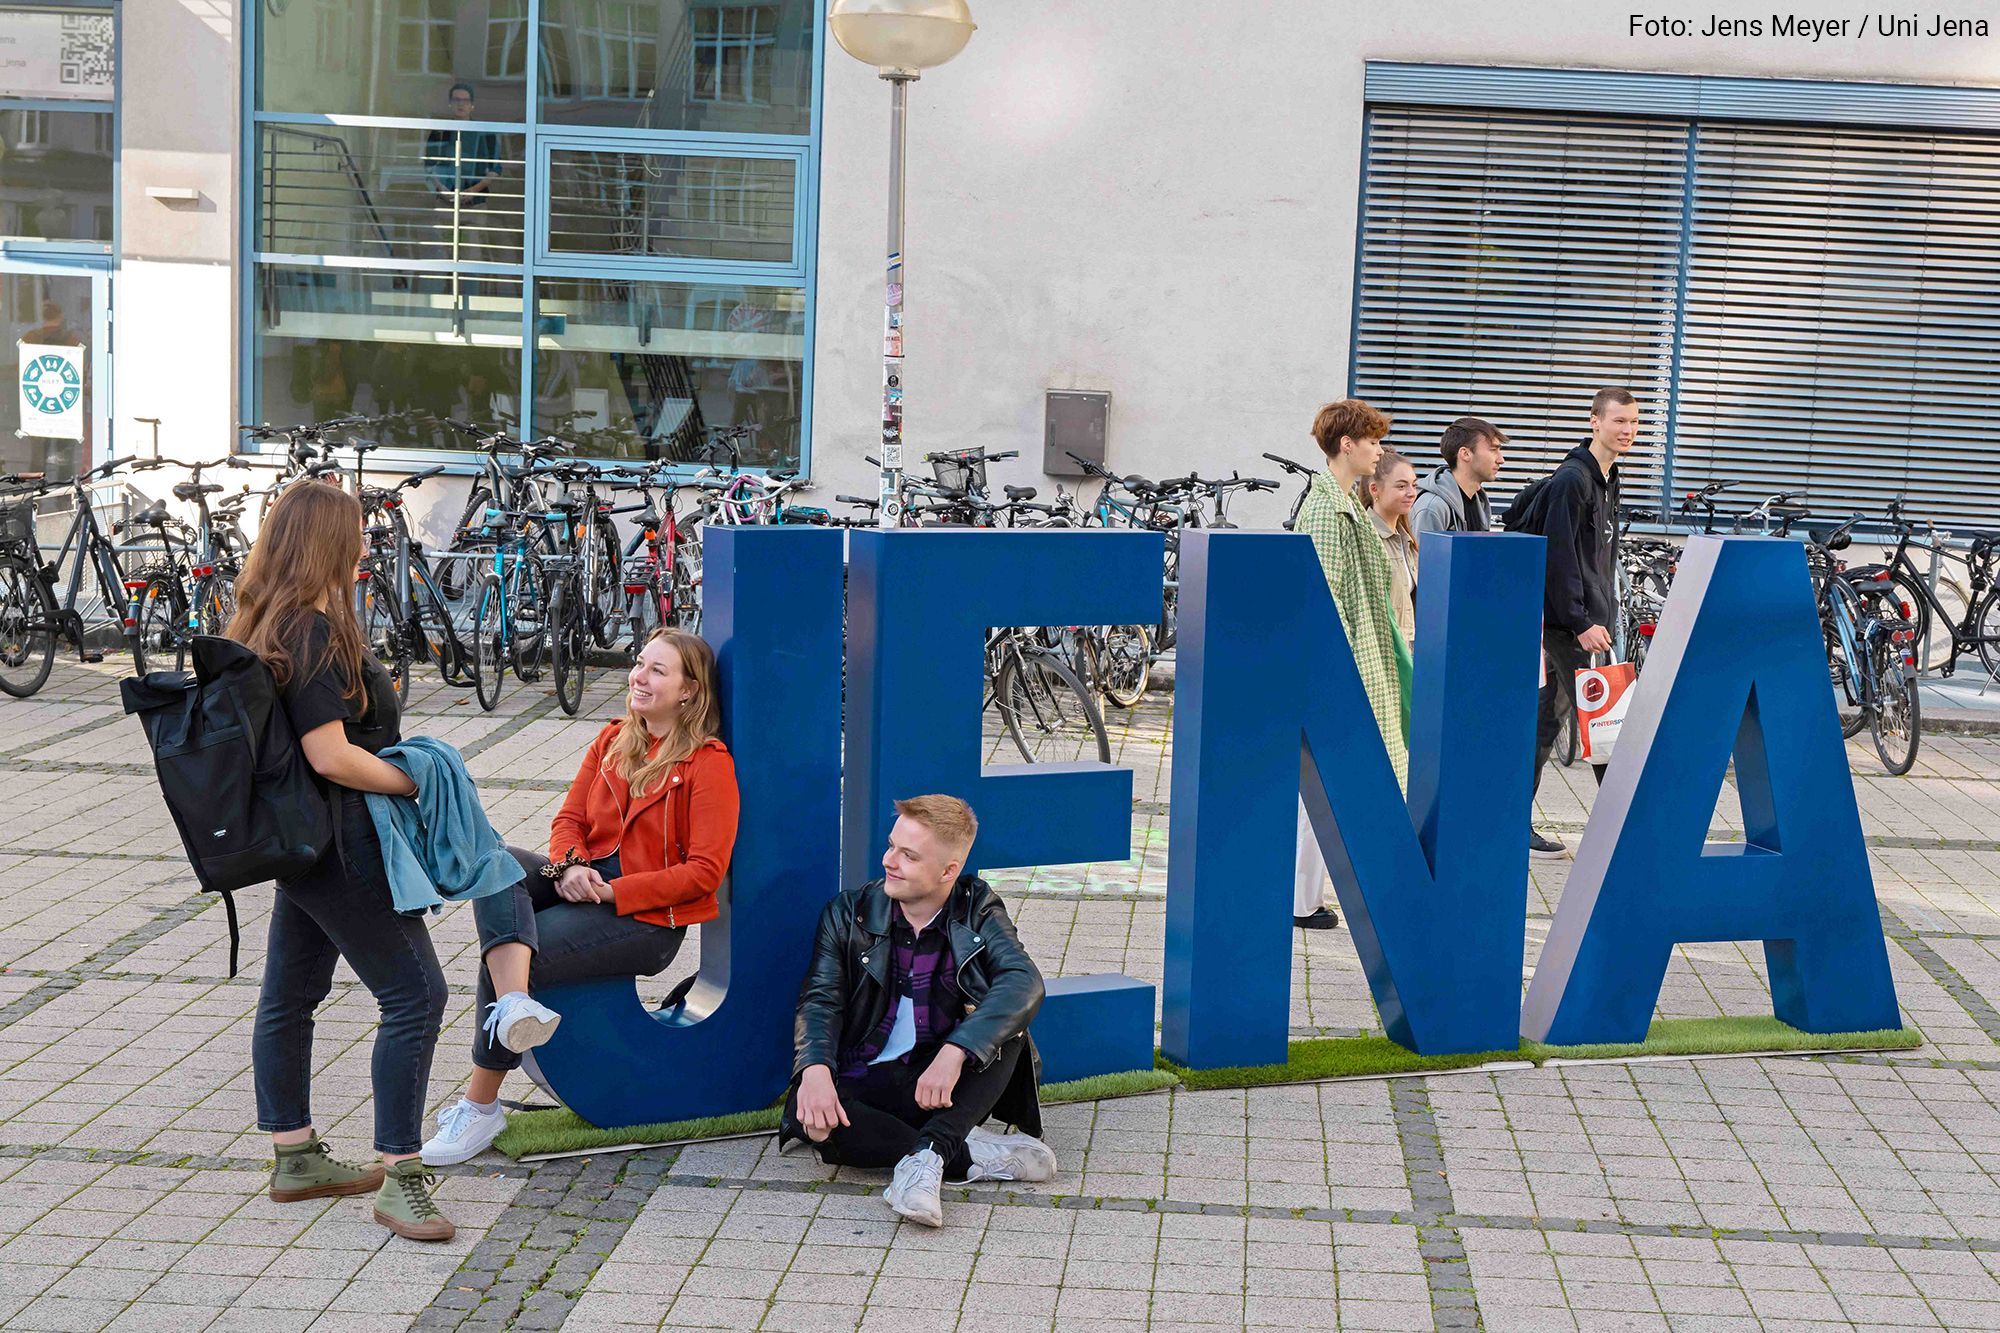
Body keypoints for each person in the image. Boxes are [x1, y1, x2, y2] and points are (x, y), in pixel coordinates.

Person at [229, 482, 456, 1242]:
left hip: (306, 846)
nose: (366, 545)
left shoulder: (277, 621)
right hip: (342, 843)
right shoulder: (312, 633)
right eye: (357, 534)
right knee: (417, 993)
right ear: (329, 542)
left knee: (291, 991)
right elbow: (331, 755)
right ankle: (402, 1174)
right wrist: (416, 777)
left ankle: (294, 1155)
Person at [421, 628, 739, 1166]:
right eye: (640, 663)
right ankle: (516, 1006)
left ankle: (481, 1107)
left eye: (658, 670)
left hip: (646, 919)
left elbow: (703, 873)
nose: (639, 676)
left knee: (515, 949)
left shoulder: (707, 764)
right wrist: (570, 866)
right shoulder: (613, 739)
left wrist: (609, 890)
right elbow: (569, 818)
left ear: (689, 691)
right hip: (584, 880)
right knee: (496, 867)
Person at [785, 795, 1054, 1228]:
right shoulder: (848, 913)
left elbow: (1023, 981)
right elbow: (821, 999)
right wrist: (813, 1070)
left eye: (909, 855)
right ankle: (957, 1151)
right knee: (824, 1129)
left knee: (1007, 1032)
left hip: (940, 1084)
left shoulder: (977, 908)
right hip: (869, 1075)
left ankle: (923, 1165)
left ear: (948, 871)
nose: (890, 861)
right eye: (892, 846)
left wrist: (955, 1051)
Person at [1503, 388, 1638, 858]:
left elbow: (1599, 558)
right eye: (1618, 421)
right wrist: (1581, 620)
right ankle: (1622, 830)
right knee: (1604, 722)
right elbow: (1559, 558)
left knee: (1547, 720)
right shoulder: (1572, 481)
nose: (1627, 430)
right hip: (1570, 624)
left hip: (1589, 620)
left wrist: (1604, 612)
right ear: (1594, 421)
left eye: (1633, 423)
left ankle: (1510, 819)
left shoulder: (1608, 476)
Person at [1293, 400, 1407, 931]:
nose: (1378, 449)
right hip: (1347, 667)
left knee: (1326, 786)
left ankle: (1305, 896)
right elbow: (1327, 600)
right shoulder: (1324, 510)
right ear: (1347, 444)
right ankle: (1302, 897)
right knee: (1326, 786)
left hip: (1361, 661)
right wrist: (1339, 680)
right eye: (1372, 440)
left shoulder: (1344, 504)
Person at [424, 82, 505, 267]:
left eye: (465, 100)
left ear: (472, 105)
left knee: (471, 254)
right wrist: (442, 189)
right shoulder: (439, 132)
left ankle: (470, 292)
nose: (461, 104)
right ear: (450, 104)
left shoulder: (485, 134)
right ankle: (443, 292)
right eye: (456, 100)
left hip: (475, 205)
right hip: (445, 203)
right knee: (442, 255)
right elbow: (429, 167)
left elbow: (495, 170)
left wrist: (473, 191)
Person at [1411, 417, 1506, 537]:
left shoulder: (1479, 502)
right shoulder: (1433, 508)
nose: (1501, 460)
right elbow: (1424, 555)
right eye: (1493, 450)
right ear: (1465, 454)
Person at [1366, 449, 1420, 646]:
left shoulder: (1407, 540)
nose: (1411, 493)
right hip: (1382, 650)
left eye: (1414, 485)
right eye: (1401, 486)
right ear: (1375, 489)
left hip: (1407, 649)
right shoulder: (1367, 537)